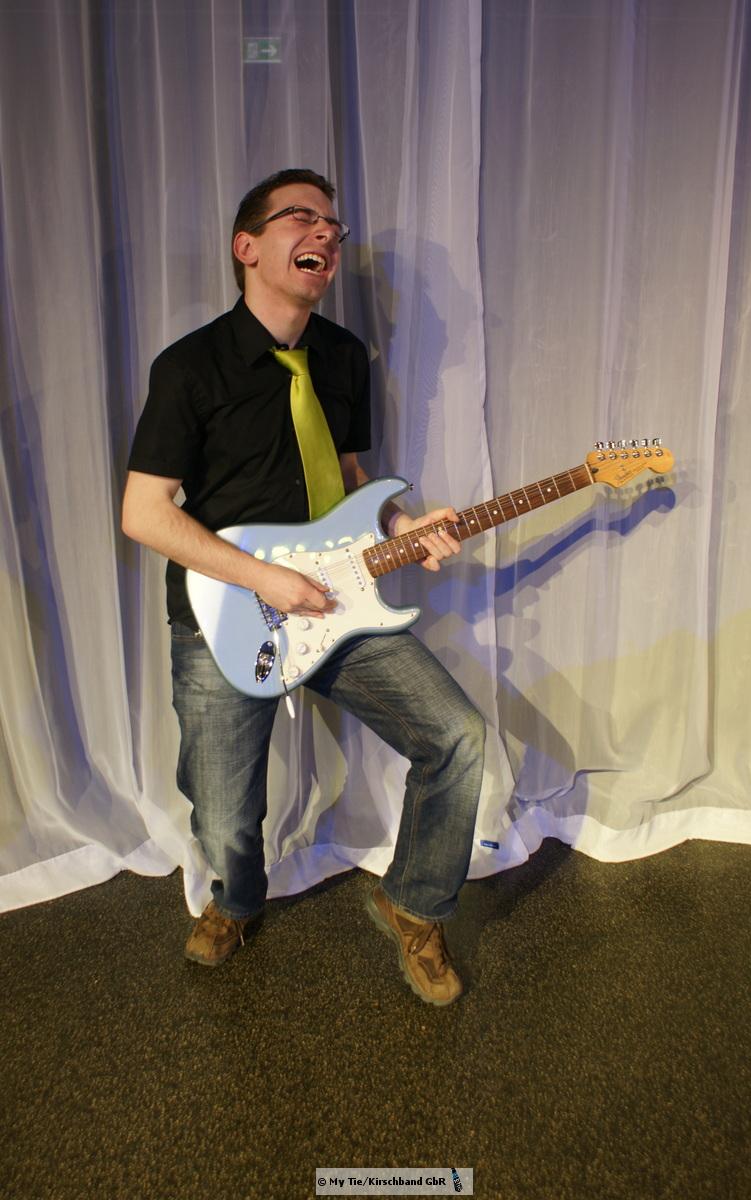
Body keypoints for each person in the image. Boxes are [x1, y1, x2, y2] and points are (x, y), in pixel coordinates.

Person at [122, 168, 485, 1006]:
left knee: (458, 737)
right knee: (223, 815)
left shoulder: (345, 357)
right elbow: (144, 512)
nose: (325, 232)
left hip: (340, 605)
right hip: (226, 614)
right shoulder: (190, 367)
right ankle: (237, 900)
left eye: (332, 225)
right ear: (247, 247)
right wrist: (266, 581)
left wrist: (404, 527)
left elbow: (349, 479)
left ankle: (414, 905)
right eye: (300, 218)